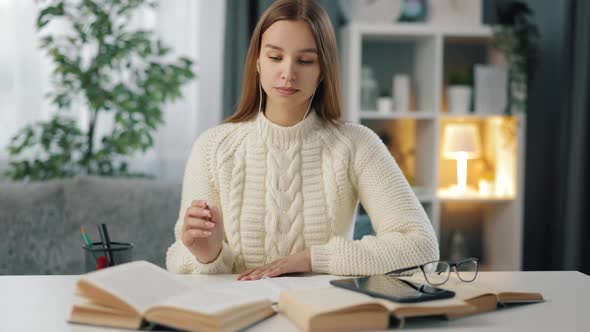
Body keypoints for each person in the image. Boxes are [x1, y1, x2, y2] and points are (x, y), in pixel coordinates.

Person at [166, 0, 439, 280]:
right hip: (237, 315)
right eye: (275, 57)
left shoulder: (357, 144)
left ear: (323, 70)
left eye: (305, 60)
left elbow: (422, 247)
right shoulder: (212, 147)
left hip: (322, 314)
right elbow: (178, 255)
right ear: (257, 62)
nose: (288, 73)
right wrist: (208, 254)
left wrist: (312, 259)